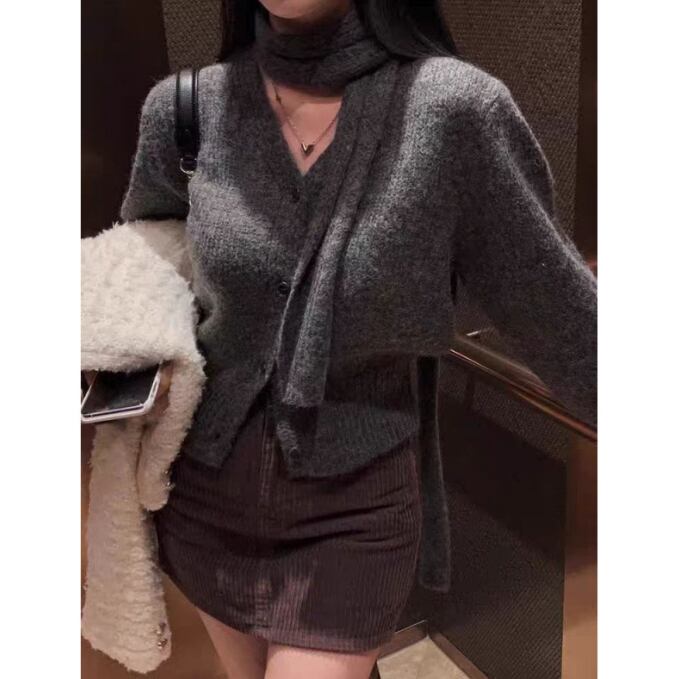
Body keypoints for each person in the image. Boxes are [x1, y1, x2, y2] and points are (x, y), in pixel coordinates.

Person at [111, 1, 597, 678]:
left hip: (355, 509)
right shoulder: (187, 109)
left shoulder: (453, 111)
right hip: (203, 495)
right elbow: (141, 269)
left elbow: (553, 307)